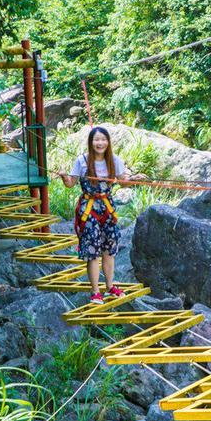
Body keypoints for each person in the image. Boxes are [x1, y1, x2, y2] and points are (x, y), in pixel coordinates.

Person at [58, 126, 147, 304]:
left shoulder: (114, 160)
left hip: (107, 207)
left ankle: (109, 286)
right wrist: (63, 177)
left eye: (103, 139)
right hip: (89, 208)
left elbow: (123, 183)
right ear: (91, 142)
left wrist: (136, 179)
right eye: (96, 140)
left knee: (109, 247)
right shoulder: (82, 161)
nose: (100, 143)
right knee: (92, 249)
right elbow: (71, 183)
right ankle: (95, 291)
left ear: (108, 142)